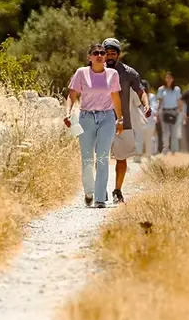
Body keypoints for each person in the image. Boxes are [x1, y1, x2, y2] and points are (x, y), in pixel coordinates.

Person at [63, 43, 125, 208]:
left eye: (102, 53)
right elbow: (72, 95)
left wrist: (120, 119)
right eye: (95, 53)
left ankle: (99, 198)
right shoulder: (81, 73)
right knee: (87, 158)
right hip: (86, 118)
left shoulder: (112, 74)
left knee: (103, 157)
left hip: (107, 118)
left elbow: (115, 97)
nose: (99, 55)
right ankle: (89, 191)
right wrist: (67, 113)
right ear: (89, 57)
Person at [102, 38, 152, 204]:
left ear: (118, 54)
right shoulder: (95, 71)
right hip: (100, 120)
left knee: (121, 158)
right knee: (100, 158)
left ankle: (117, 190)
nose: (109, 56)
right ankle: (100, 189)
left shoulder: (129, 73)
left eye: (113, 53)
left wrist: (146, 105)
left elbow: (140, 91)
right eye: (107, 53)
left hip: (124, 122)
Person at [156, 72, 182, 155]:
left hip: (174, 111)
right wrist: (158, 112)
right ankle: (165, 148)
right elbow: (160, 102)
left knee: (174, 132)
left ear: (173, 79)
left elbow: (179, 101)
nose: (168, 79)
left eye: (170, 78)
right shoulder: (161, 89)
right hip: (164, 111)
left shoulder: (176, 89)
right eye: (167, 78)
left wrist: (179, 111)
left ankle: (174, 150)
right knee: (165, 132)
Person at [134, 79, 156, 161]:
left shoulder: (151, 96)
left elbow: (154, 108)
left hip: (149, 120)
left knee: (149, 139)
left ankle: (149, 155)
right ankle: (138, 155)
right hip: (139, 120)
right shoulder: (136, 96)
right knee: (138, 138)